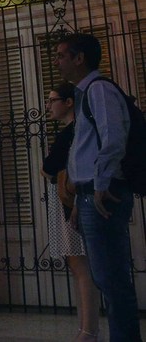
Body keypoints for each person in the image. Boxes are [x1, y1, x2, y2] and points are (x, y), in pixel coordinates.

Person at [54, 33, 142, 342]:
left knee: (112, 277)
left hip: (102, 192)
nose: (57, 62)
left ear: (79, 58)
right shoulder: (85, 93)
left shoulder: (99, 90)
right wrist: (80, 198)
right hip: (89, 193)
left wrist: (100, 183)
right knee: (106, 276)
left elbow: (113, 138)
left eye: (61, 55)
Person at [41, 82, 100, 342]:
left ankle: (88, 329)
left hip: (72, 200)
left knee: (80, 264)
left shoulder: (73, 132)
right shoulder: (71, 132)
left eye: (52, 100)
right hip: (68, 198)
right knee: (77, 264)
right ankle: (84, 326)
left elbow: (49, 167)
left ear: (68, 102)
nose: (48, 106)